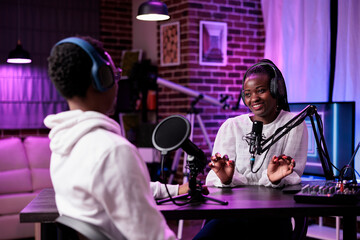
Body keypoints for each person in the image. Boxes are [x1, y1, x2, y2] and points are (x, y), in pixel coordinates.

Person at [45, 36, 177, 239]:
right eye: (115, 75)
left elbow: (118, 186)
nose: (117, 84)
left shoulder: (63, 144)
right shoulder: (113, 151)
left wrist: (175, 190)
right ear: (101, 78)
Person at [193, 59, 308, 239]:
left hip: (272, 217)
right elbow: (213, 178)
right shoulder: (231, 126)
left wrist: (274, 179)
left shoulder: (293, 124)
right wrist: (226, 178)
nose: (253, 98)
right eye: (247, 93)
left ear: (277, 91)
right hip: (230, 214)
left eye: (261, 90)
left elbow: (294, 175)